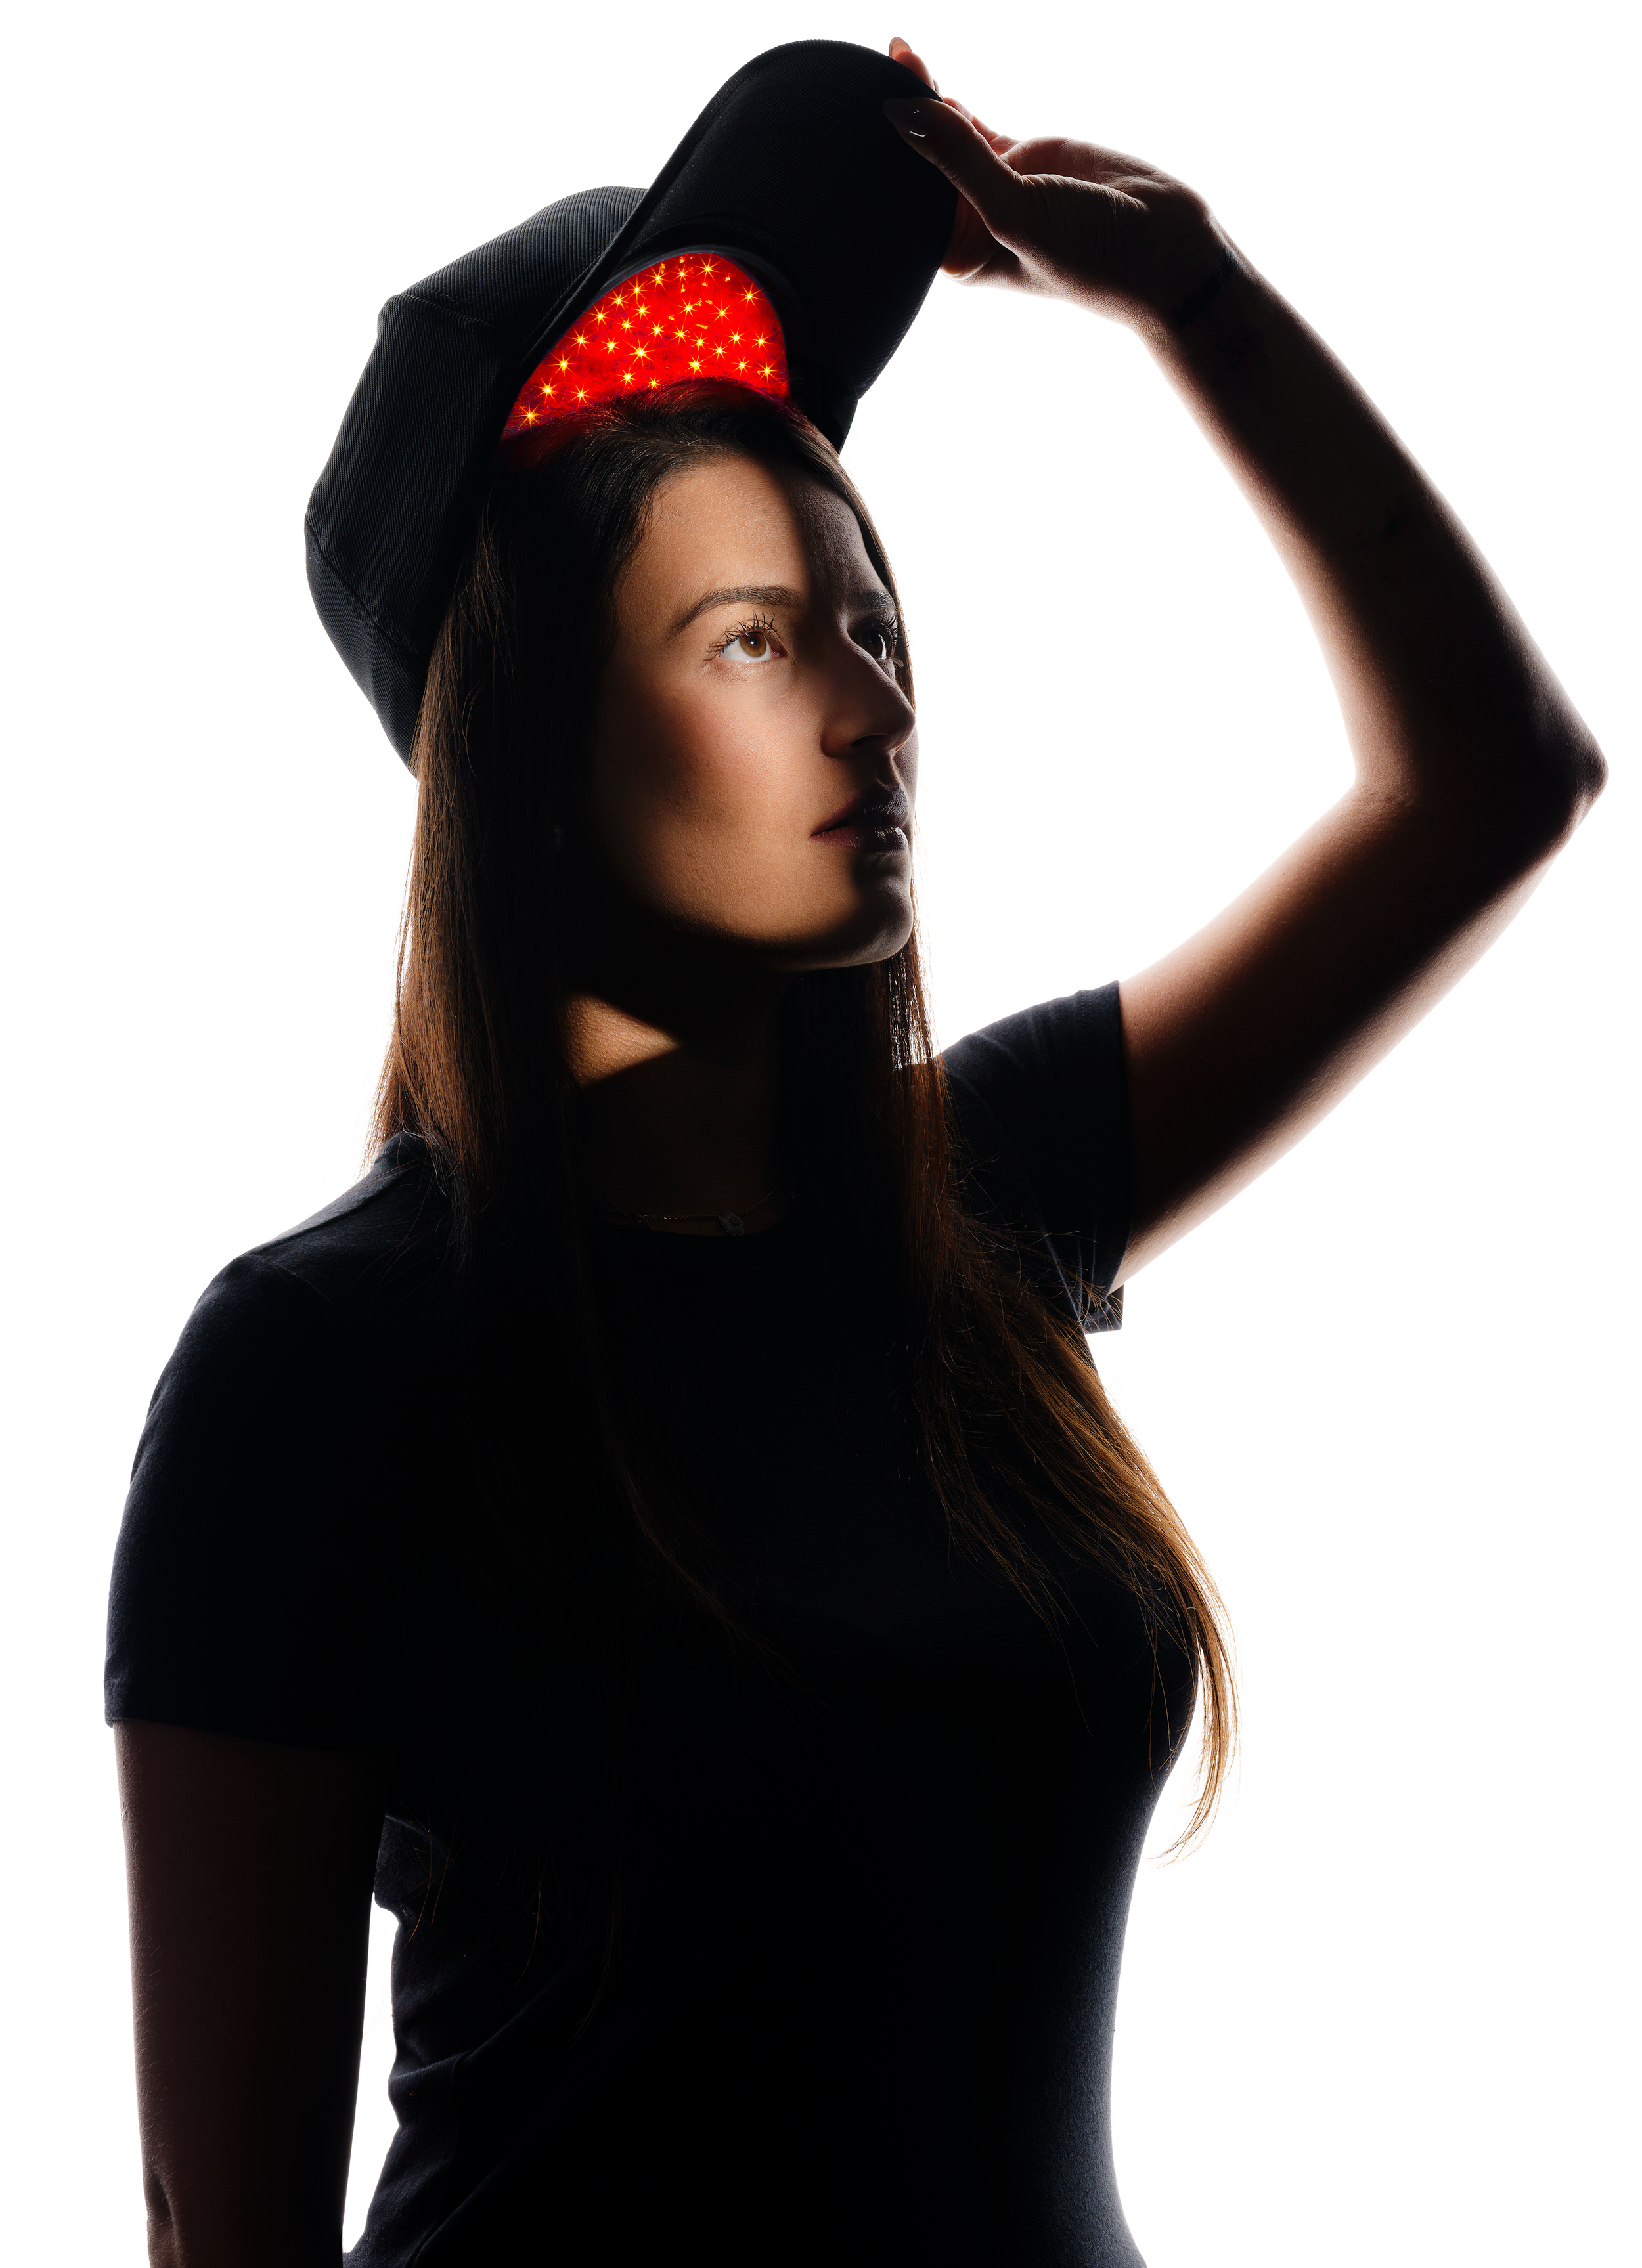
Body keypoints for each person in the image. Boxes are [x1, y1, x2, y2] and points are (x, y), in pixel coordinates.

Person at [106, 35, 1604, 2268]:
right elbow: (222, 2235)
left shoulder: (977, 1190)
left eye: (873, 626)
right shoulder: (322, 1365)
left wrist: (1194, 296)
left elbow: (1491, 783)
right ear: (532, 747)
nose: (871, 710)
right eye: (755, 640)